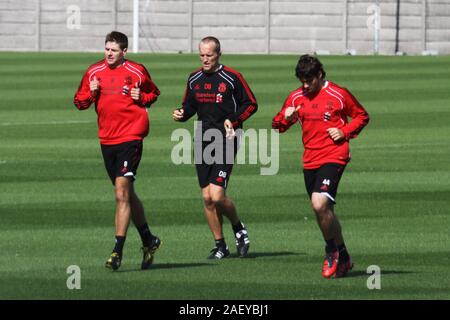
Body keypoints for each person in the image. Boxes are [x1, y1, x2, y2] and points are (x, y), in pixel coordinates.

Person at [272, 54, 369, 278]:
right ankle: (344, 256)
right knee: (324, 212)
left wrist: (344, 132)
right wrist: (286, 117)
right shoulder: (297, 97)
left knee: (319, 203)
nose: (305, 86)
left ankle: (331, 250)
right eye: (302, 82)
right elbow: (277, 126)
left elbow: (361, 116)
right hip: (310, 159)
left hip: (335, 155)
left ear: (320, 75)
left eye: (309, 81)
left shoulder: (338, 94)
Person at [73, 31, 161, 271]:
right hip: (107, 140)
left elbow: (154, 93)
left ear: (124, 51)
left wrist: (141, 96)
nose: (109, 53)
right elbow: (79, 102)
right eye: (106, 49)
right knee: (128, 194)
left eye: (113, 50)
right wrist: (91, 93)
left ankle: (117, 251)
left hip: (131, 137)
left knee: (121, 194)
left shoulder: (136, 71)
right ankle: (149, 240)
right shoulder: (94, 72)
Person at [172, 36, 257, 259]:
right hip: (203, 140)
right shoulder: (194, 79)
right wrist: (181, 114)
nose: (205, 59)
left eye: (209, 55)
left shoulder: (232, 77)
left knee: (218, 195)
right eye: (201, 55)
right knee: (207, 198)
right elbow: (189, 106)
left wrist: (235, 121)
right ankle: (220, 245)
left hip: (227, 139)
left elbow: (251, 104)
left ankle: (239, 228)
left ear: (218, 54)